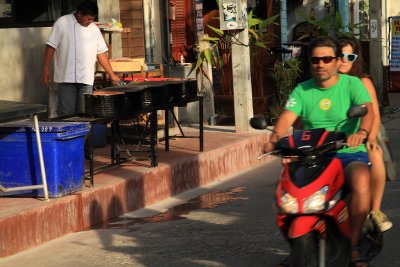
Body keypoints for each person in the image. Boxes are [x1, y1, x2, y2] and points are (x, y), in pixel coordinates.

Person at [264, 36, 374, 267]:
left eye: (326, 59)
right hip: (312, 156)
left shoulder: (352, 84)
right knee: (286, 192)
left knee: (361, 178)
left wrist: (361, 133)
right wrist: (275, 139)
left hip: (347, 151)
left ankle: (354, 245)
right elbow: (286, 119)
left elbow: (368, 112)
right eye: (316, 60)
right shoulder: (302, 90)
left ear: (336, 61)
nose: (320, 64)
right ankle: (299, 244)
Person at [337, 36, 393, 233]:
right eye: (340, 55)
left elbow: (374, 115)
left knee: (375, 155)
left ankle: (375, 210)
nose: (344, 60)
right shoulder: (324, 83)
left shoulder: (362, 81)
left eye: (349, 56)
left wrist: (369, 138)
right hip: (336, 141)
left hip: (366, 132)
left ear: (355, 59)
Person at [42, 0, 120, 117]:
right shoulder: (62, 22)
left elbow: (101, 53)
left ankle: (83, 136)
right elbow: (51, 46)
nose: (90, 21)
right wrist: (46, 68)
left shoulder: (94, 29)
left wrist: (112, 74)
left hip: (86, 79)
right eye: (88, 18)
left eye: (92, 19)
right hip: (66, 78)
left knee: (85, 113)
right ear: (79, 14)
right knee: (67, 114)